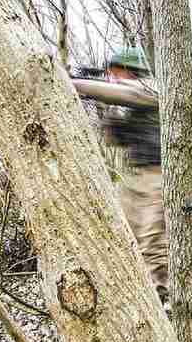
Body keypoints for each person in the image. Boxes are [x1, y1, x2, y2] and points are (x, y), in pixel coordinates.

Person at [72, 48, 169, 304]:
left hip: (160, 175)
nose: (113, 79)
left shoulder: (151, 87)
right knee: (127, 235)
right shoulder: (126, 101)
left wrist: (76, 84)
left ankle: (161, 299)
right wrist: (104, 107)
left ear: (130, 71)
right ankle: (138, 293)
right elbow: (114, 139)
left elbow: (128, 93)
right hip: (136, 175)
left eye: (117, 73)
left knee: (153, 242)